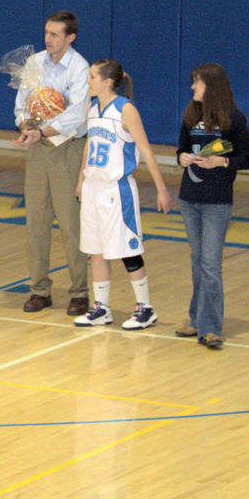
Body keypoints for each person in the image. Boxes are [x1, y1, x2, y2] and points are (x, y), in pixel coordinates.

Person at [73, 59, 172, 329]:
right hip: (93, 187)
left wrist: (162, 188)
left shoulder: (126, 110)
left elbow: (147, 151)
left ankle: (145, 308)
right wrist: (82, 177)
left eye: (92, 77)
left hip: (117, 189)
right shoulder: (93, 107)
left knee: (127, 250)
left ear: (107, 81)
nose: (88, 81)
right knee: (96, 251)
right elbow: (89, 145)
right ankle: (101, 308)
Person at [13, 10, 90, 315]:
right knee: (36, 222)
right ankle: (39, 289)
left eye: (55, 34)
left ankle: (80, 292)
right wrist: (25, 126)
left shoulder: (80, 68)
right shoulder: (34, 63)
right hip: (37, 148)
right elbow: (22, 102)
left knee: (71, 224)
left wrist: (43, 130)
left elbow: (77, 114)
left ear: (70, 37)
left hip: (66, 149)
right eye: (46, 32)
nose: (48, 39)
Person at [176, 63, 249, 350]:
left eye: (196, 82)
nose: (192, 87)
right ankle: (196, 319)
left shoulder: (234, 118)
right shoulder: (191, 114)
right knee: (198, 262)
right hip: (189, 198)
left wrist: (222, 161)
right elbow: (180, 149)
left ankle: (211, 328)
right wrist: (183, 158)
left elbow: (248, 159)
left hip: (217, 201)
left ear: (212, 85)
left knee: (210, 264)